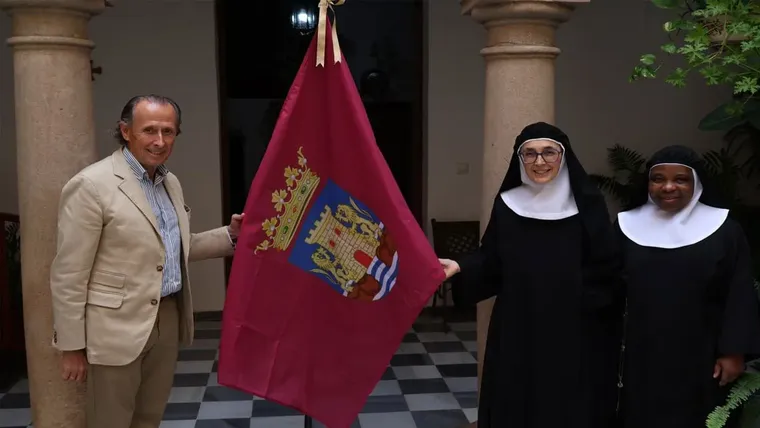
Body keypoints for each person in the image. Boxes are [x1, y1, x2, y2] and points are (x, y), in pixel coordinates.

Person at [49, 94, 244, 428]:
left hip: (165, 318)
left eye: (168, 131)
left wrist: (231, 235)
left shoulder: (169, 182)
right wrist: (71, 347)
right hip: (114, 327)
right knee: (110, 422)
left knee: (148, 419)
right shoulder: (91, 185)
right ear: (126, 131)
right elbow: (69, 273)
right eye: (149, 130)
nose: (160, 141)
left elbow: (172, 248)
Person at [439, 122, 621, 428]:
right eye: (530, 154)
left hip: (573, 325)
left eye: (549, 152)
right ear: (519, 159)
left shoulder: (588, 204)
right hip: (518, 322)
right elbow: (491, 258)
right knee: (517, 395)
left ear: (563, 156)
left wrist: (585, 300)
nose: (539, 162)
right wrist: (460, 266)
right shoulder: (508, 204)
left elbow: (606, 264)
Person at [615, 145, 760, 428]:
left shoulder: (725, 229)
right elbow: (609, 288)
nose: (668, 187)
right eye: (658, 179)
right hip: (641, 352)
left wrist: (733, 352)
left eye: (680, 179)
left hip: (703, 353)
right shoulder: (625, 226)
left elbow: (739, 293)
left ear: (696, 184)